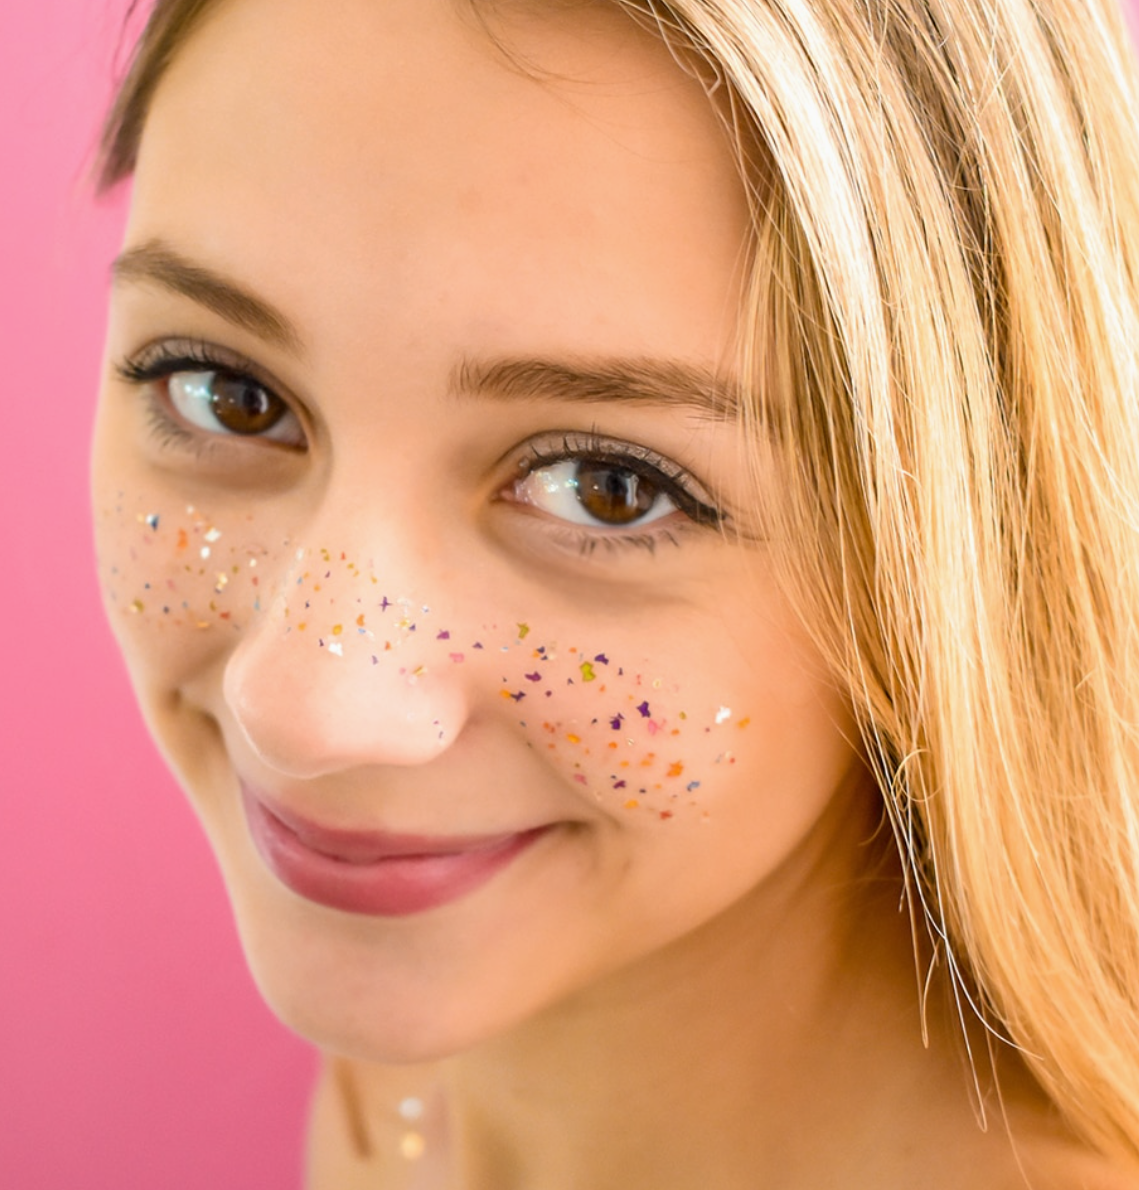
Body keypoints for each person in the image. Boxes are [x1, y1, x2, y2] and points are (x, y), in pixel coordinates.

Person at [89, 0, 1139, 1185]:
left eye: (606, 486)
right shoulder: (422, 1085)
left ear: (959, 553)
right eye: (227, 392)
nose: (306, 704)